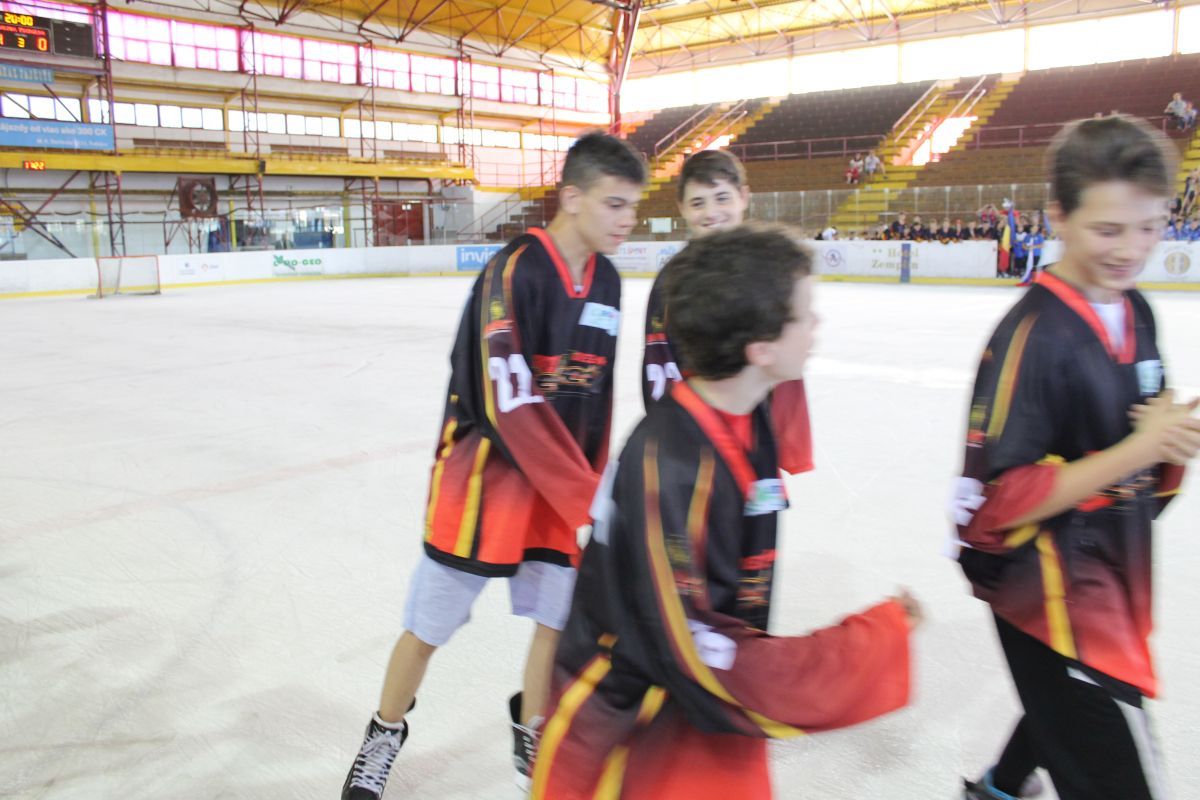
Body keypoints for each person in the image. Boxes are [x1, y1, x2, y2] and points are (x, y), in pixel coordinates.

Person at [532, 225, 918, 800]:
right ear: (760, 349)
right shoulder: (673, 465)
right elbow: (698, 650)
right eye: (804, 315)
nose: (816, 326)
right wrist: (867, 644)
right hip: (630, 740)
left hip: (694, 720)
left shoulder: (746, 416)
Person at [340, 132, 646, 800]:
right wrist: (587, 493)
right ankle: (384, 733)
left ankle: (532, 732)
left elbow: (595, 396)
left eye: (634, 206)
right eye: (615, 203)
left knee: (553, 625)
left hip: (559, 496)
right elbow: (507, 400)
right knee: (428, 627)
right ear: (572, 197)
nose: (628, 219)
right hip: (484, 485)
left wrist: (592, 486)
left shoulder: (610, 281)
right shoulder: (514, 272)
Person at [951, 115, 1200, 800]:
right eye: (1108, 230)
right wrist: (1140, 449)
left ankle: (1001, 784)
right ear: (1058, 216)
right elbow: (997, 497)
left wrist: (1168, 441)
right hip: (1054, 594)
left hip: (1109, 572)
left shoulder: (1136, 309)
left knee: (1066, 710)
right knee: (1115, 761)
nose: (1132, 250)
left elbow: (1142, 437)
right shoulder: (1034, 335)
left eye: (1149, 227)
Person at [643, 148, 814, 477]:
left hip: (757, 436)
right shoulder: (672, 283)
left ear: (743, 197)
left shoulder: (769, 270)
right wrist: (671, 443)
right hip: (698, 444)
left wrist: (785, 440)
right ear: (682, 208)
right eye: (698, 203)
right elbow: (659, 367)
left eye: (722, 198)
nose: (711, 213)